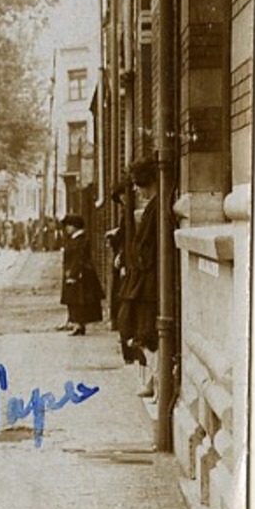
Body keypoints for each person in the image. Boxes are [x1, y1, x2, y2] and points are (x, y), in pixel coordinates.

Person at [119, 160, 162, 397]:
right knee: (142, 331)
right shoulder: (152, 207)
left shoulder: (157, 209)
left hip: (149, 283)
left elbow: (147, 249)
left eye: (138, 184)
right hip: (144, 281)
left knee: (148, 333)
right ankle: (154, 382)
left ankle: (157, 383)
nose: (136, 190)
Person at [59, 213, 104, 336]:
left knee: (77, 300)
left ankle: (78, 325)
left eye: (69, 225)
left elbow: (78, 259)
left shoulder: (80, 240)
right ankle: (78, 324)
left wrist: (73, 274)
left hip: (80, 275)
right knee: (76, 300)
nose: (67, 228)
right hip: (78, 273)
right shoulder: (76, 239)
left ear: (76, 226)